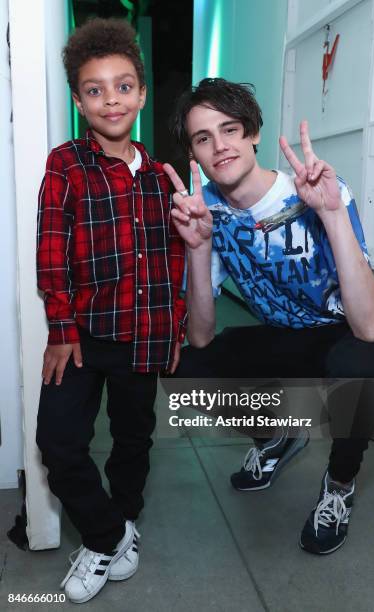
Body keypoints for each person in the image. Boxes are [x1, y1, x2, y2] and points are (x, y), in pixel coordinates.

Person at [163, 78, 374, 555]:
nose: (220, 146)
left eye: (229, 129)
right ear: (193, 154)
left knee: (363, 360)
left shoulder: (313, 190)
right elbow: (203, 337)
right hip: (283, 337)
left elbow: (372, 328)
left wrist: (332, 216)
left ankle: (339, 485)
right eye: (203, 138)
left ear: (253, 133)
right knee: (186, 371)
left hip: (340, 332)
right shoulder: (203, 210)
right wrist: (199, 247)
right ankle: (278, 436)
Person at [36, 18, 186, 603]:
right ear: (79, 100)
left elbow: (175, 260)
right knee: (60, 442)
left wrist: (172, 328)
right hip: (81, 336)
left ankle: (122, 517)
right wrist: (60, 326)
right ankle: (108, 535)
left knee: (133, 439)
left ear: (142, 94)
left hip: (144, 335)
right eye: (95, 90)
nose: (110, 99)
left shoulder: (163, 177)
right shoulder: (66, 163)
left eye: (123, 86)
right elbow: (51, 248)